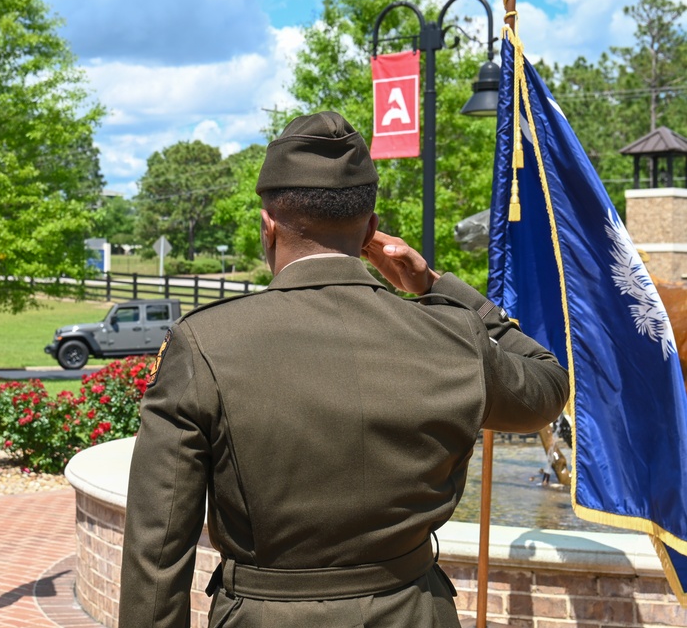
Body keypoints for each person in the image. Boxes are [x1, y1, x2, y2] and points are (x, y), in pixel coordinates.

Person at [118, 111, 569, 628]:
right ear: (371, 230)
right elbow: (548, 385)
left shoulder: (203, 344)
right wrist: (438, 286)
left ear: (267, 227)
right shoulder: (453, 336)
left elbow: (158, 550)